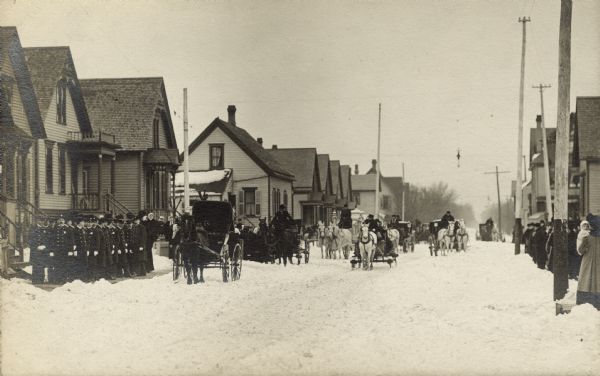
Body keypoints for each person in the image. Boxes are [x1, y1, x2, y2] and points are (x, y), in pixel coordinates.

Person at [576, 215, 600, 309]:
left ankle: (585, 301)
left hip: (587, 262)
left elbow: (580, 251)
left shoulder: (587, 237)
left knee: (586, 280)